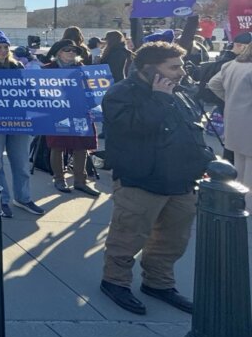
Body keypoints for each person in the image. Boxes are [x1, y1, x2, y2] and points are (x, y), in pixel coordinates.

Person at [99, 41, 212, 316]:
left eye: (181, 66)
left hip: (181, 182)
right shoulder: (121, 94)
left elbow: (192, 129)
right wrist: (159, 98)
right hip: (142, 181)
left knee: (172, 240)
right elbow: (133, 128)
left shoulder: (180, 91)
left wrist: (203, 160)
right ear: (150, 69)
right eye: (173, 67)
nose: (181, 72)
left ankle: (159, 283)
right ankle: (115, 281)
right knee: (127, 237)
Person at [0, 29, 43, 218]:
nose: (3, 50)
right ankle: (1, 200)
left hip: (18, 121)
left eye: (5, 47)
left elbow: (28, 93)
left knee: (21, 163)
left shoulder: (17, 67)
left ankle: (23, 197)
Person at [43, 40, 99, 196]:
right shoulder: (48, 69)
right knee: (57, 146)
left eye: (74, 50)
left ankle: (80, 181)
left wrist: (93, 103)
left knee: (82, 146)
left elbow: (91, 90)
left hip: (80, 112)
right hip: (57, 113)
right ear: (58, 53)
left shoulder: (82, 69)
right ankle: (59, 179)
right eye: (67, 50)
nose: (71, 52)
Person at [207, 41, 252, 199]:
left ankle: (238, 201)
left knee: (239, 166)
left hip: (234, 121)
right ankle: (246, 205)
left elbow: (213, 83)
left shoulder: (232, 65)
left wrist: (230, 99)